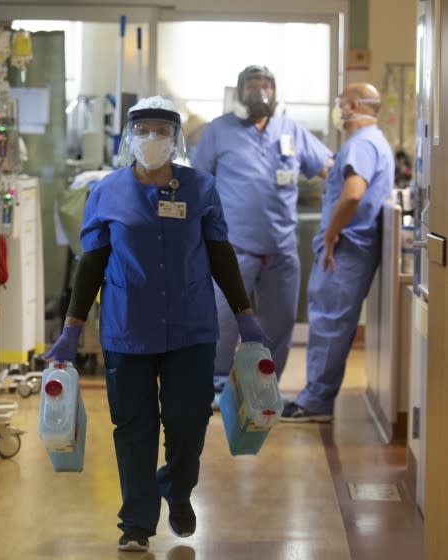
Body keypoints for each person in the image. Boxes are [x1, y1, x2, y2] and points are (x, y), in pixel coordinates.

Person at [43, 96, 267, 552]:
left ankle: (178, 490)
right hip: (129, 329)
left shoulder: (200, 188)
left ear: (176, 138)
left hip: (191, 328)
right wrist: (70, 329)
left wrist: (245, 316)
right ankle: (137, 523)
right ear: (129, 137)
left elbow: (221, 254)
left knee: (187, 425)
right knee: (133, 427)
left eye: (162, 131)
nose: (152, 139)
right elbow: (92, 264)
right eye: (143, 130)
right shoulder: (107, 192)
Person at [190, 65, 333, 403]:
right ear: (239, 92)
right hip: (232, 248)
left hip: (281, 249)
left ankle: (265, 388)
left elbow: (328, 166)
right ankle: (217, 383)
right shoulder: (218, 130)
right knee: (222, 321)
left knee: (278, 325)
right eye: (252, 87)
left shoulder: (290, 130)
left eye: (266, 86)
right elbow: (197, 183)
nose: (260, 93)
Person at [282, 83, 394, 422]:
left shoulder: (362, 144)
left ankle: (315, 401)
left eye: (340, 103)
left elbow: (352, 194)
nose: (337, 109)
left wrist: (331, 235)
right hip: (353, 249)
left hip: (344, 249)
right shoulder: (375, 143)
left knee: (329, 323)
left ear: (353, 105)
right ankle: (317, 395)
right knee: (331, 322)